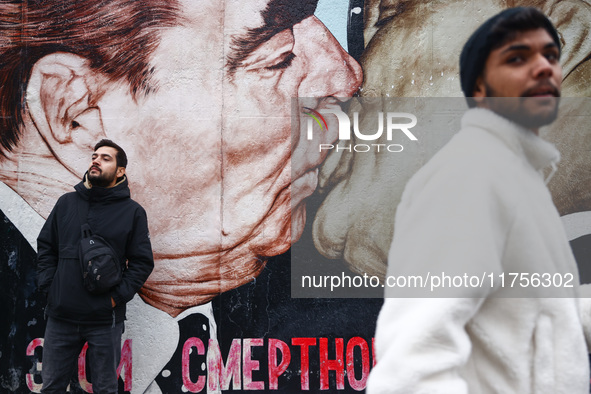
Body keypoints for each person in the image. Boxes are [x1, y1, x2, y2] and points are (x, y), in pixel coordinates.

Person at [367, 7, 591, 393]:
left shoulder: (520, 181)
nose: (542, 71)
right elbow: (413, 358)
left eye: (550, 57)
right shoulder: (468, 178)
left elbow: (531, 312)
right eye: (517, 59)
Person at [36, 139, 153, 393]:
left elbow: (142, 262)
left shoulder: (133, 212)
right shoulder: (66, 203)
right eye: (94, 156)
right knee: (52, 387)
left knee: (105, 389)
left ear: (120, 171)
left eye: (105, 158)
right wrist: (50, 288)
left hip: (104, 319)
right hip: (61, 316)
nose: (96, 160)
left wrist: (115, 299)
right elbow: (46, 246)